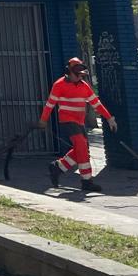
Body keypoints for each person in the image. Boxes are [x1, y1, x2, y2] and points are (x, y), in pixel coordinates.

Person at [40, 56, 117, 193]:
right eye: (78, 75)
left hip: (79, 122)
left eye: (82, 75)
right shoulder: (59, 85)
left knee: (81, 150)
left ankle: (58, 167)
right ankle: (86, 181)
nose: (81, 77)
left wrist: (109, 118)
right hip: (67, 121)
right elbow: (49, 104)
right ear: (70, 72)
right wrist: (43, 120)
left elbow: (96, 104)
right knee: (81, 145)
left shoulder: (84, 86)